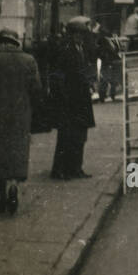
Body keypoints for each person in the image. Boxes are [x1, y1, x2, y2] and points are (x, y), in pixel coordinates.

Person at [0, 30, 41, 216]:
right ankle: (14, 185)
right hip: (21, 115)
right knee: (17, 152)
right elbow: (36, 88)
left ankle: (1, 197)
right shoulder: (29, 60)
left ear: (2, 43)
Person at [49, 17, 96, 180]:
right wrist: (63, 97)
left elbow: (82, 71)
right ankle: (60, 169)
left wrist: (89, 83)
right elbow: (58, 75)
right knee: (66, 136)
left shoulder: (80, 49)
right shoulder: (66, 50)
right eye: (79, 34)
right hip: (69, 101)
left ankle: (75, 168)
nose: (82, 38)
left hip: (81, 100)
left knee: (79, 136)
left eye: (83, 35)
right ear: (73, 35)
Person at [94, 22, 121, 102]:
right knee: (104, 79)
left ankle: (112, 95)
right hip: (105, 61)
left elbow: (117, 49)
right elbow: (100, 50)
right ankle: (102, 96)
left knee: (113, 79)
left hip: (113, 61)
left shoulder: (113, 40)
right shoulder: (102, 39)